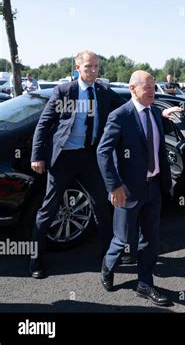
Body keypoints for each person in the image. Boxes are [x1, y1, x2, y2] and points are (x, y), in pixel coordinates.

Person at [29, 50, 125, 279]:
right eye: (88, 67)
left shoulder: (102, 91)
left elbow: (127, 109)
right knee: (48, 209)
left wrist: (158, 112)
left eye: (96, 67)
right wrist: (37, 156)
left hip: (90, 157)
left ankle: (107, 257)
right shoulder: (64, 91)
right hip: (63, 158)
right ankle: (36, 259)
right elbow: (44, 125)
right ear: (77, 67)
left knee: (101, 206)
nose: (93, 71)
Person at [97, 70, 182, 306]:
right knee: (123, 238)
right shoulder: (119, 116)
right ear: (133, 89)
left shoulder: (155, 111)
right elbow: (102, 153)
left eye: (154, 88)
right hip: (127, 190)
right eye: (148, 89)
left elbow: (155, 141)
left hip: (153, 188)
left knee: (151, 240)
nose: (153, 92)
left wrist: (165, 113)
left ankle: (145, 283)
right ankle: (108, 265)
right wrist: (114, 187)